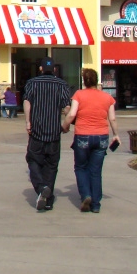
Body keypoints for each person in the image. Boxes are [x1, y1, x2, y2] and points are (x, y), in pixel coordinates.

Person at [62, 68, 120, 214]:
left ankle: (86, 195)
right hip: (101, 136)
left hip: (83, 136)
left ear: (84, 81)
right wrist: (116, 134)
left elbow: (72, 114)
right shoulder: (107, 97)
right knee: (95, 171)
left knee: (81, 167)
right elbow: (112, 118)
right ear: (96, 81)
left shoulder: (79, 95)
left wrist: (64, 126)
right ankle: (96, 204)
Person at [23, 57, 73, 212]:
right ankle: (48, 198)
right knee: (51, 166)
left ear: (40, 69)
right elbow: (66, 107)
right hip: (53, 132)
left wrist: (28, 122)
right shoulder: (62, 85)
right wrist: (66, 124)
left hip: (37, 131)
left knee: (33, 160)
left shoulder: (32, 83)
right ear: (55, 70)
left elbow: (27, 102)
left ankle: (41, 187)